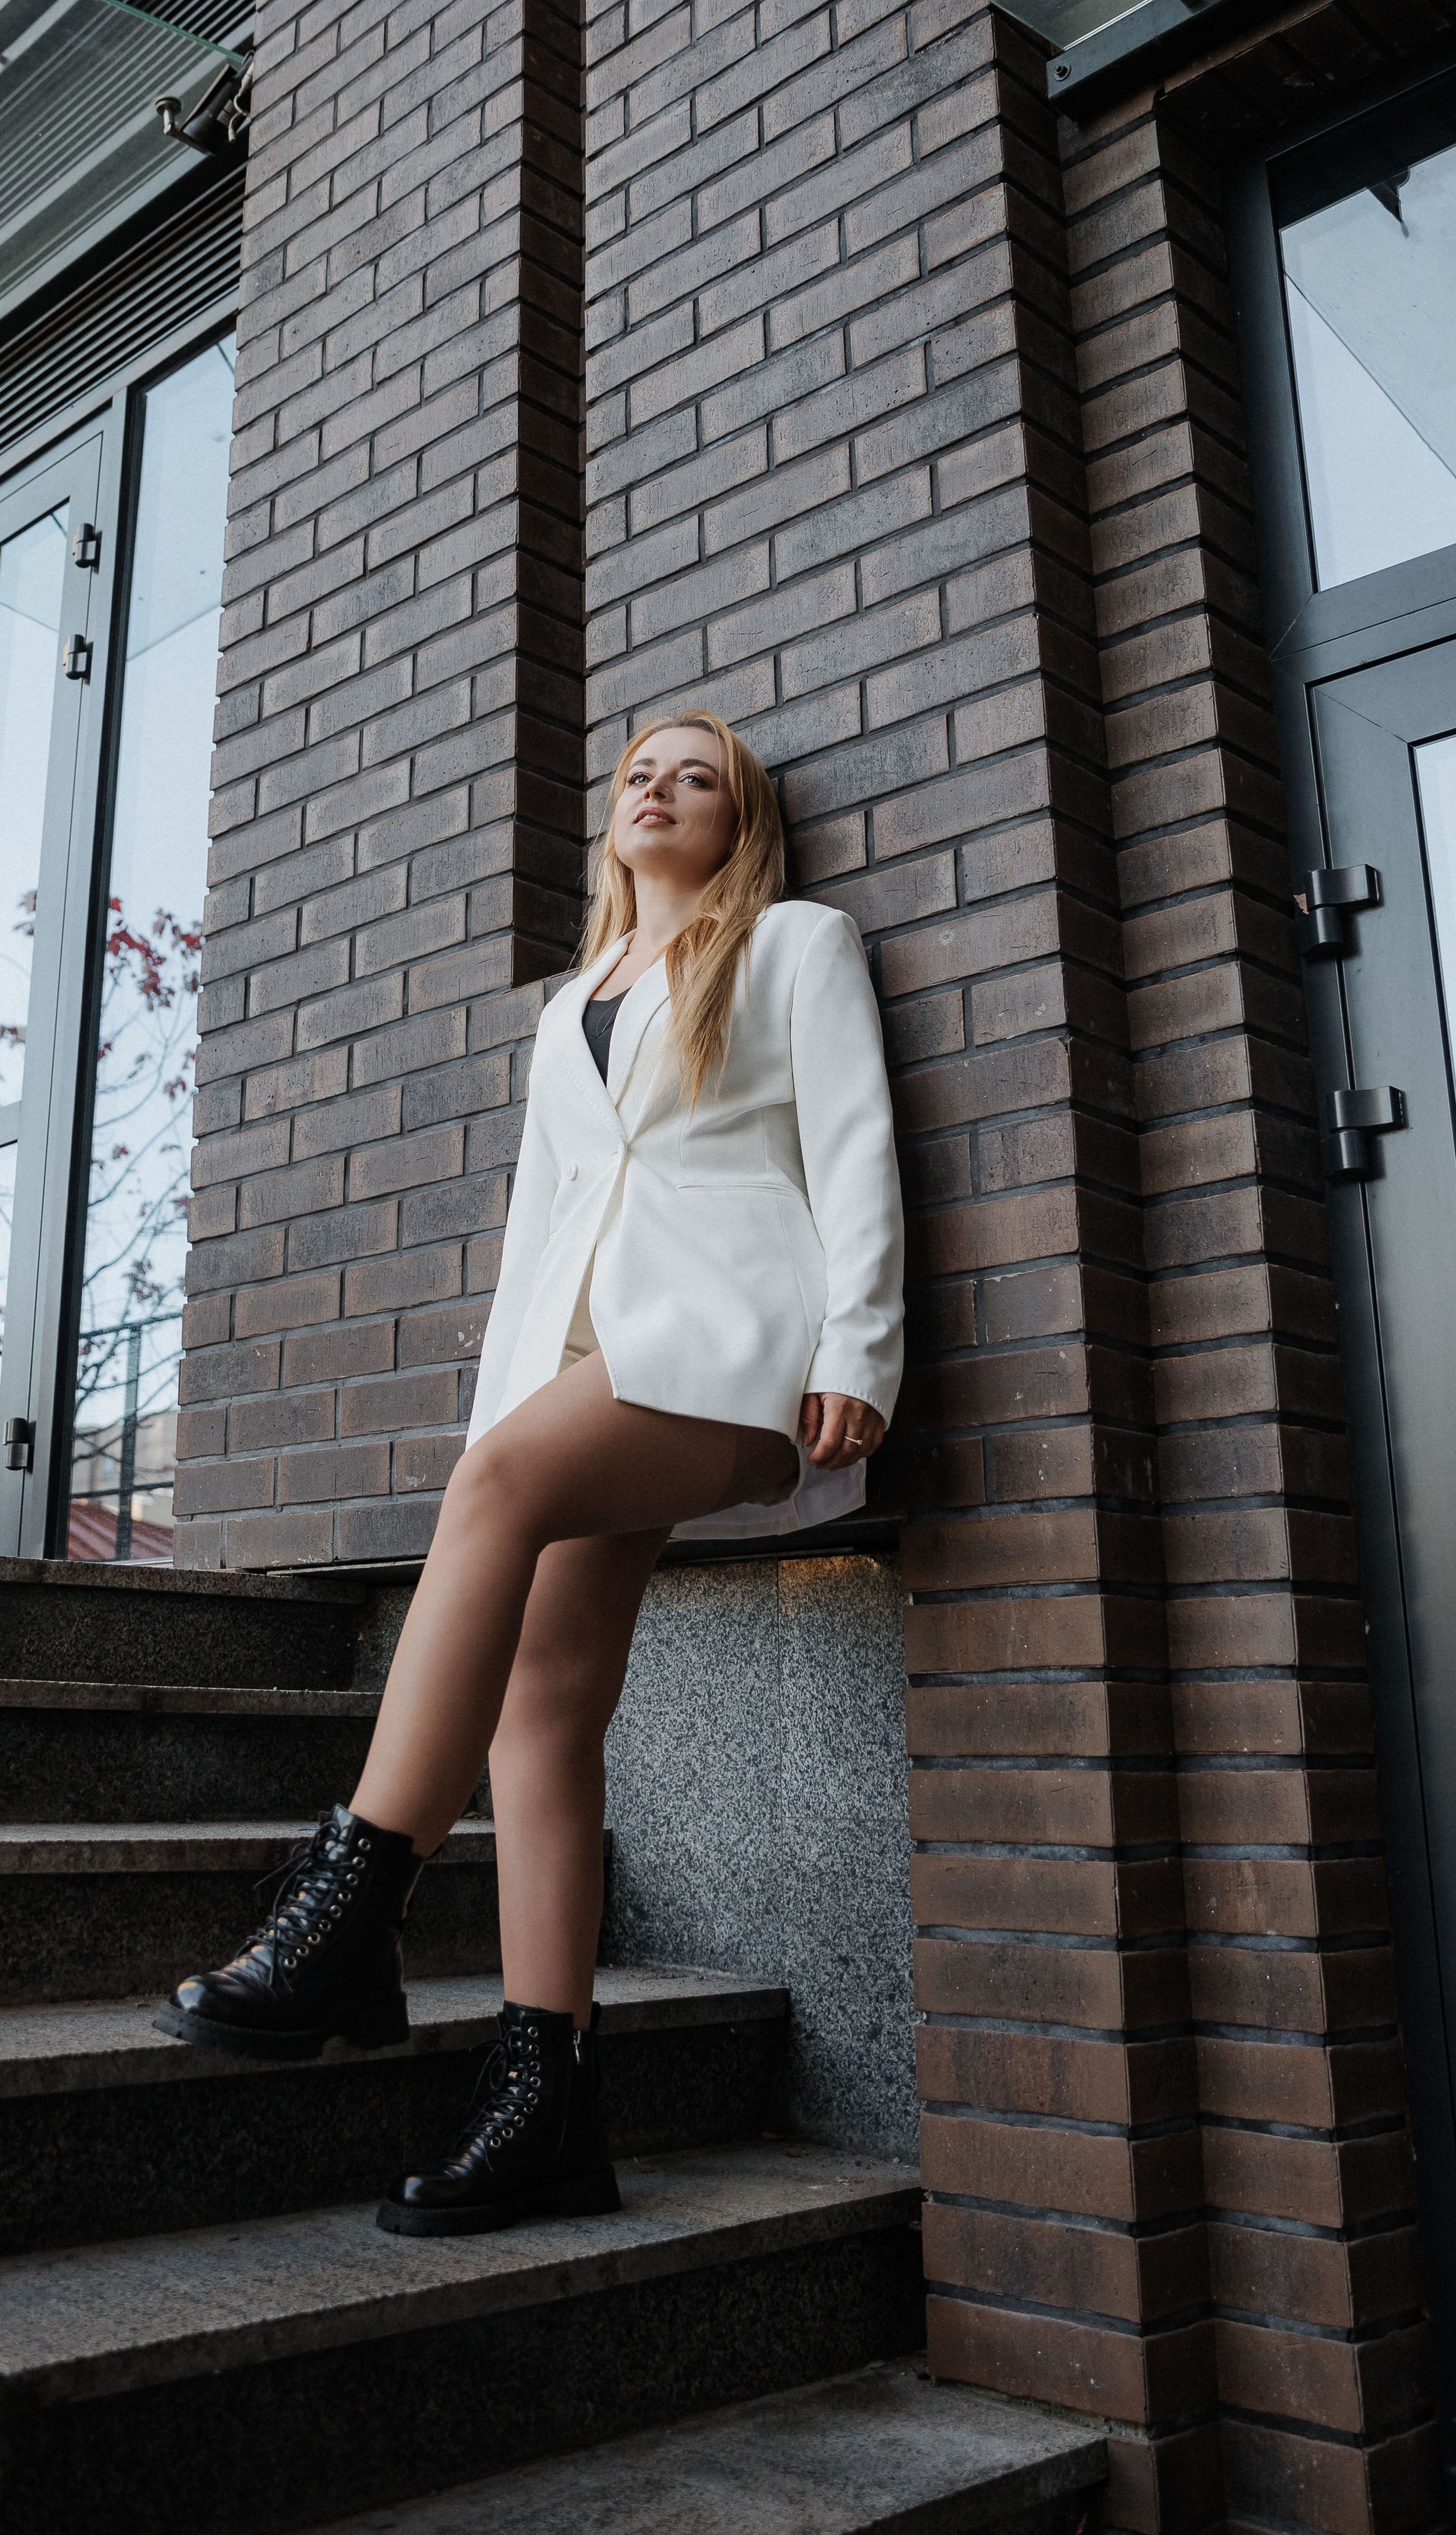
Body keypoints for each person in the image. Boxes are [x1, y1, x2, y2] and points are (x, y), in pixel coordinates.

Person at [153, 710, 904, 2237]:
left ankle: (355, 1904)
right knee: (543, 1715)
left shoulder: (795, 946)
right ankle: (545, 2098)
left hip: (736, 1342)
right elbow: (537, 1238)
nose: (657, 786)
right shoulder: (569, 1006)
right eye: (638, 768)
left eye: (697, 776)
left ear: (740, 821)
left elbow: (856, 1144)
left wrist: (861, 1354)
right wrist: (503, 1427)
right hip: (586, 1367)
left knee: (505, 1548)